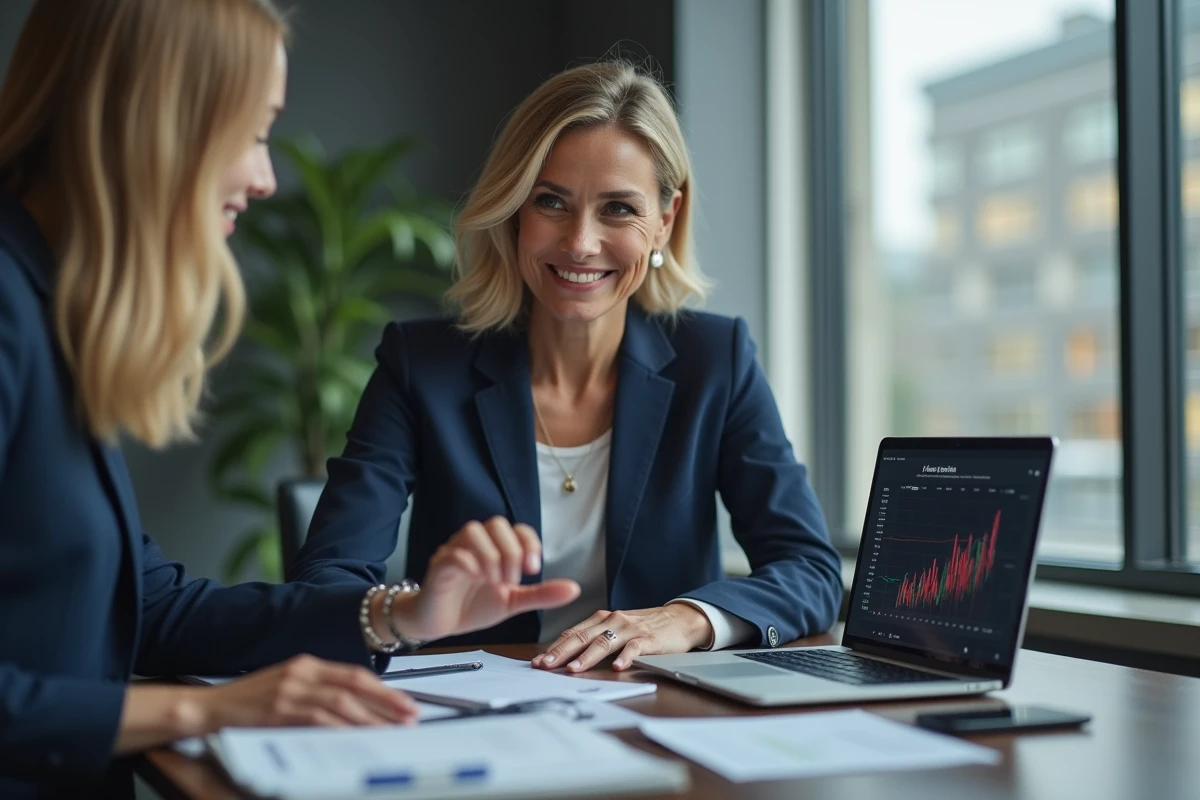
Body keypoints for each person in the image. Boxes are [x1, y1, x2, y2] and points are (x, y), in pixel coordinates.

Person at [0, 1, 579, 796]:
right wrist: (199, 711)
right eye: (253, 131)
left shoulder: (46, 309)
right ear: (157, 123)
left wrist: (398, 616)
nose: (265, 177)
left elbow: (148, 609)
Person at [292, 60, 843, 673]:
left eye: (617, 209)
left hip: (662, 712)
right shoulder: (422, 365)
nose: (581, 242)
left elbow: (810, 571)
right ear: (514, 211)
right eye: (551, 201)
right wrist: (408, 610)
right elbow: (327, 578)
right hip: (472, 709)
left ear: (664, 220)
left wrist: (686, 618)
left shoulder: (716, 362)